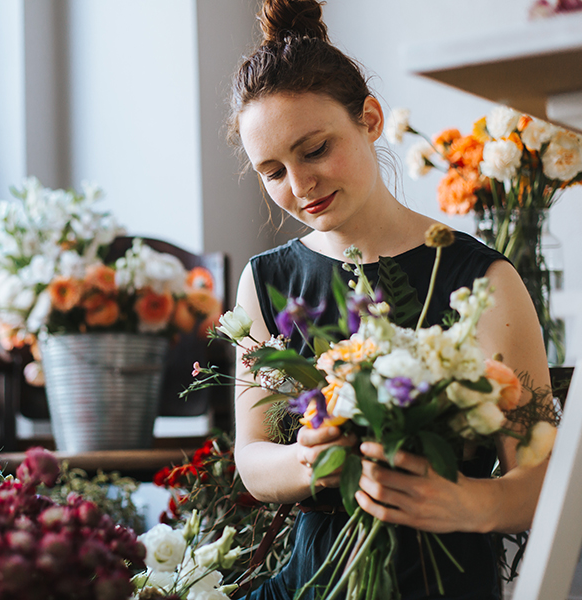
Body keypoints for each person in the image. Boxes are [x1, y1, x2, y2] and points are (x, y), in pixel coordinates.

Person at [228, 1, 551, 598]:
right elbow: (251, 460)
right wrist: (307, 458)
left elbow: (547, 481)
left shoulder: (483, 279)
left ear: (370, 119)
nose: (300, 187)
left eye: (315, 149)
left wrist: (469, 504)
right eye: (272, 171)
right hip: (312, 582)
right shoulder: (266, 281)